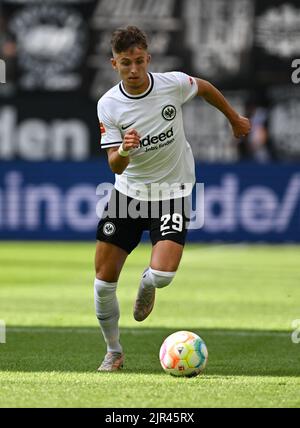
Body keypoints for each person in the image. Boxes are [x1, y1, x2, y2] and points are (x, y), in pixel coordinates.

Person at [95, 26, 251, 371]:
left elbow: (206, 88)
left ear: (148, 58)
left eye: (139, 61)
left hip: (173, 193)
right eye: (125, 64)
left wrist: (234, 118)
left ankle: (147, 283)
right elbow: (114, 165)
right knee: (103, 283)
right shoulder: (108, 105)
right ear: (114, 64)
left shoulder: (173, 84)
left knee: (163, 276)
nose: (133, 70)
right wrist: (124, 149)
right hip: (128, 195)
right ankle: (113, 350)